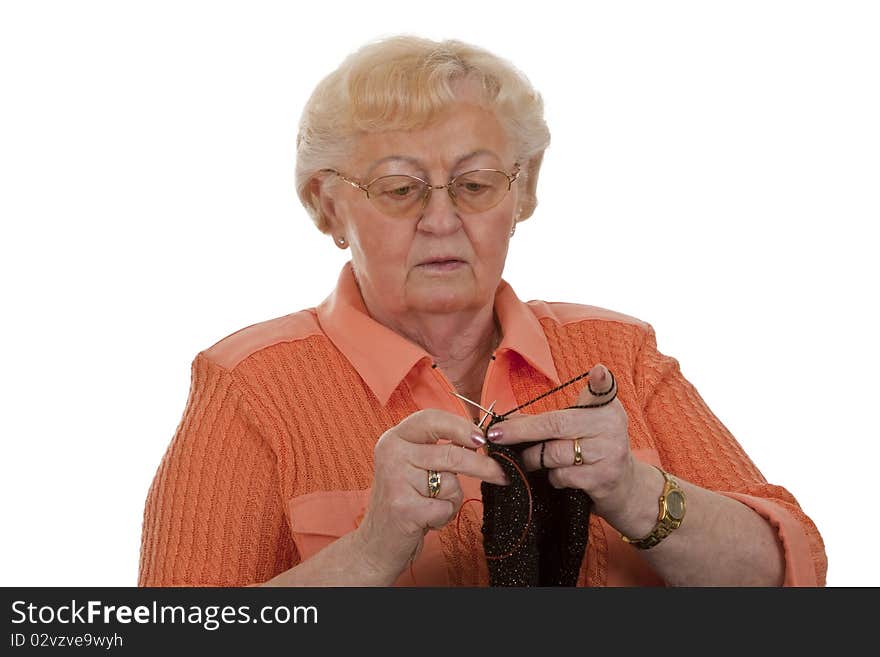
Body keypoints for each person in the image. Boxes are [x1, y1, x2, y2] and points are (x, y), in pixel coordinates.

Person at [137, 35, 826, 587]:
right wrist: (370, 553)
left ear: (522, 194)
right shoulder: (252, 384)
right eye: (400, 187)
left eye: (475, 183)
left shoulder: (619, 354)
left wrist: (638, 491)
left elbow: (791, 574)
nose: (442, 219)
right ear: (327, 206)